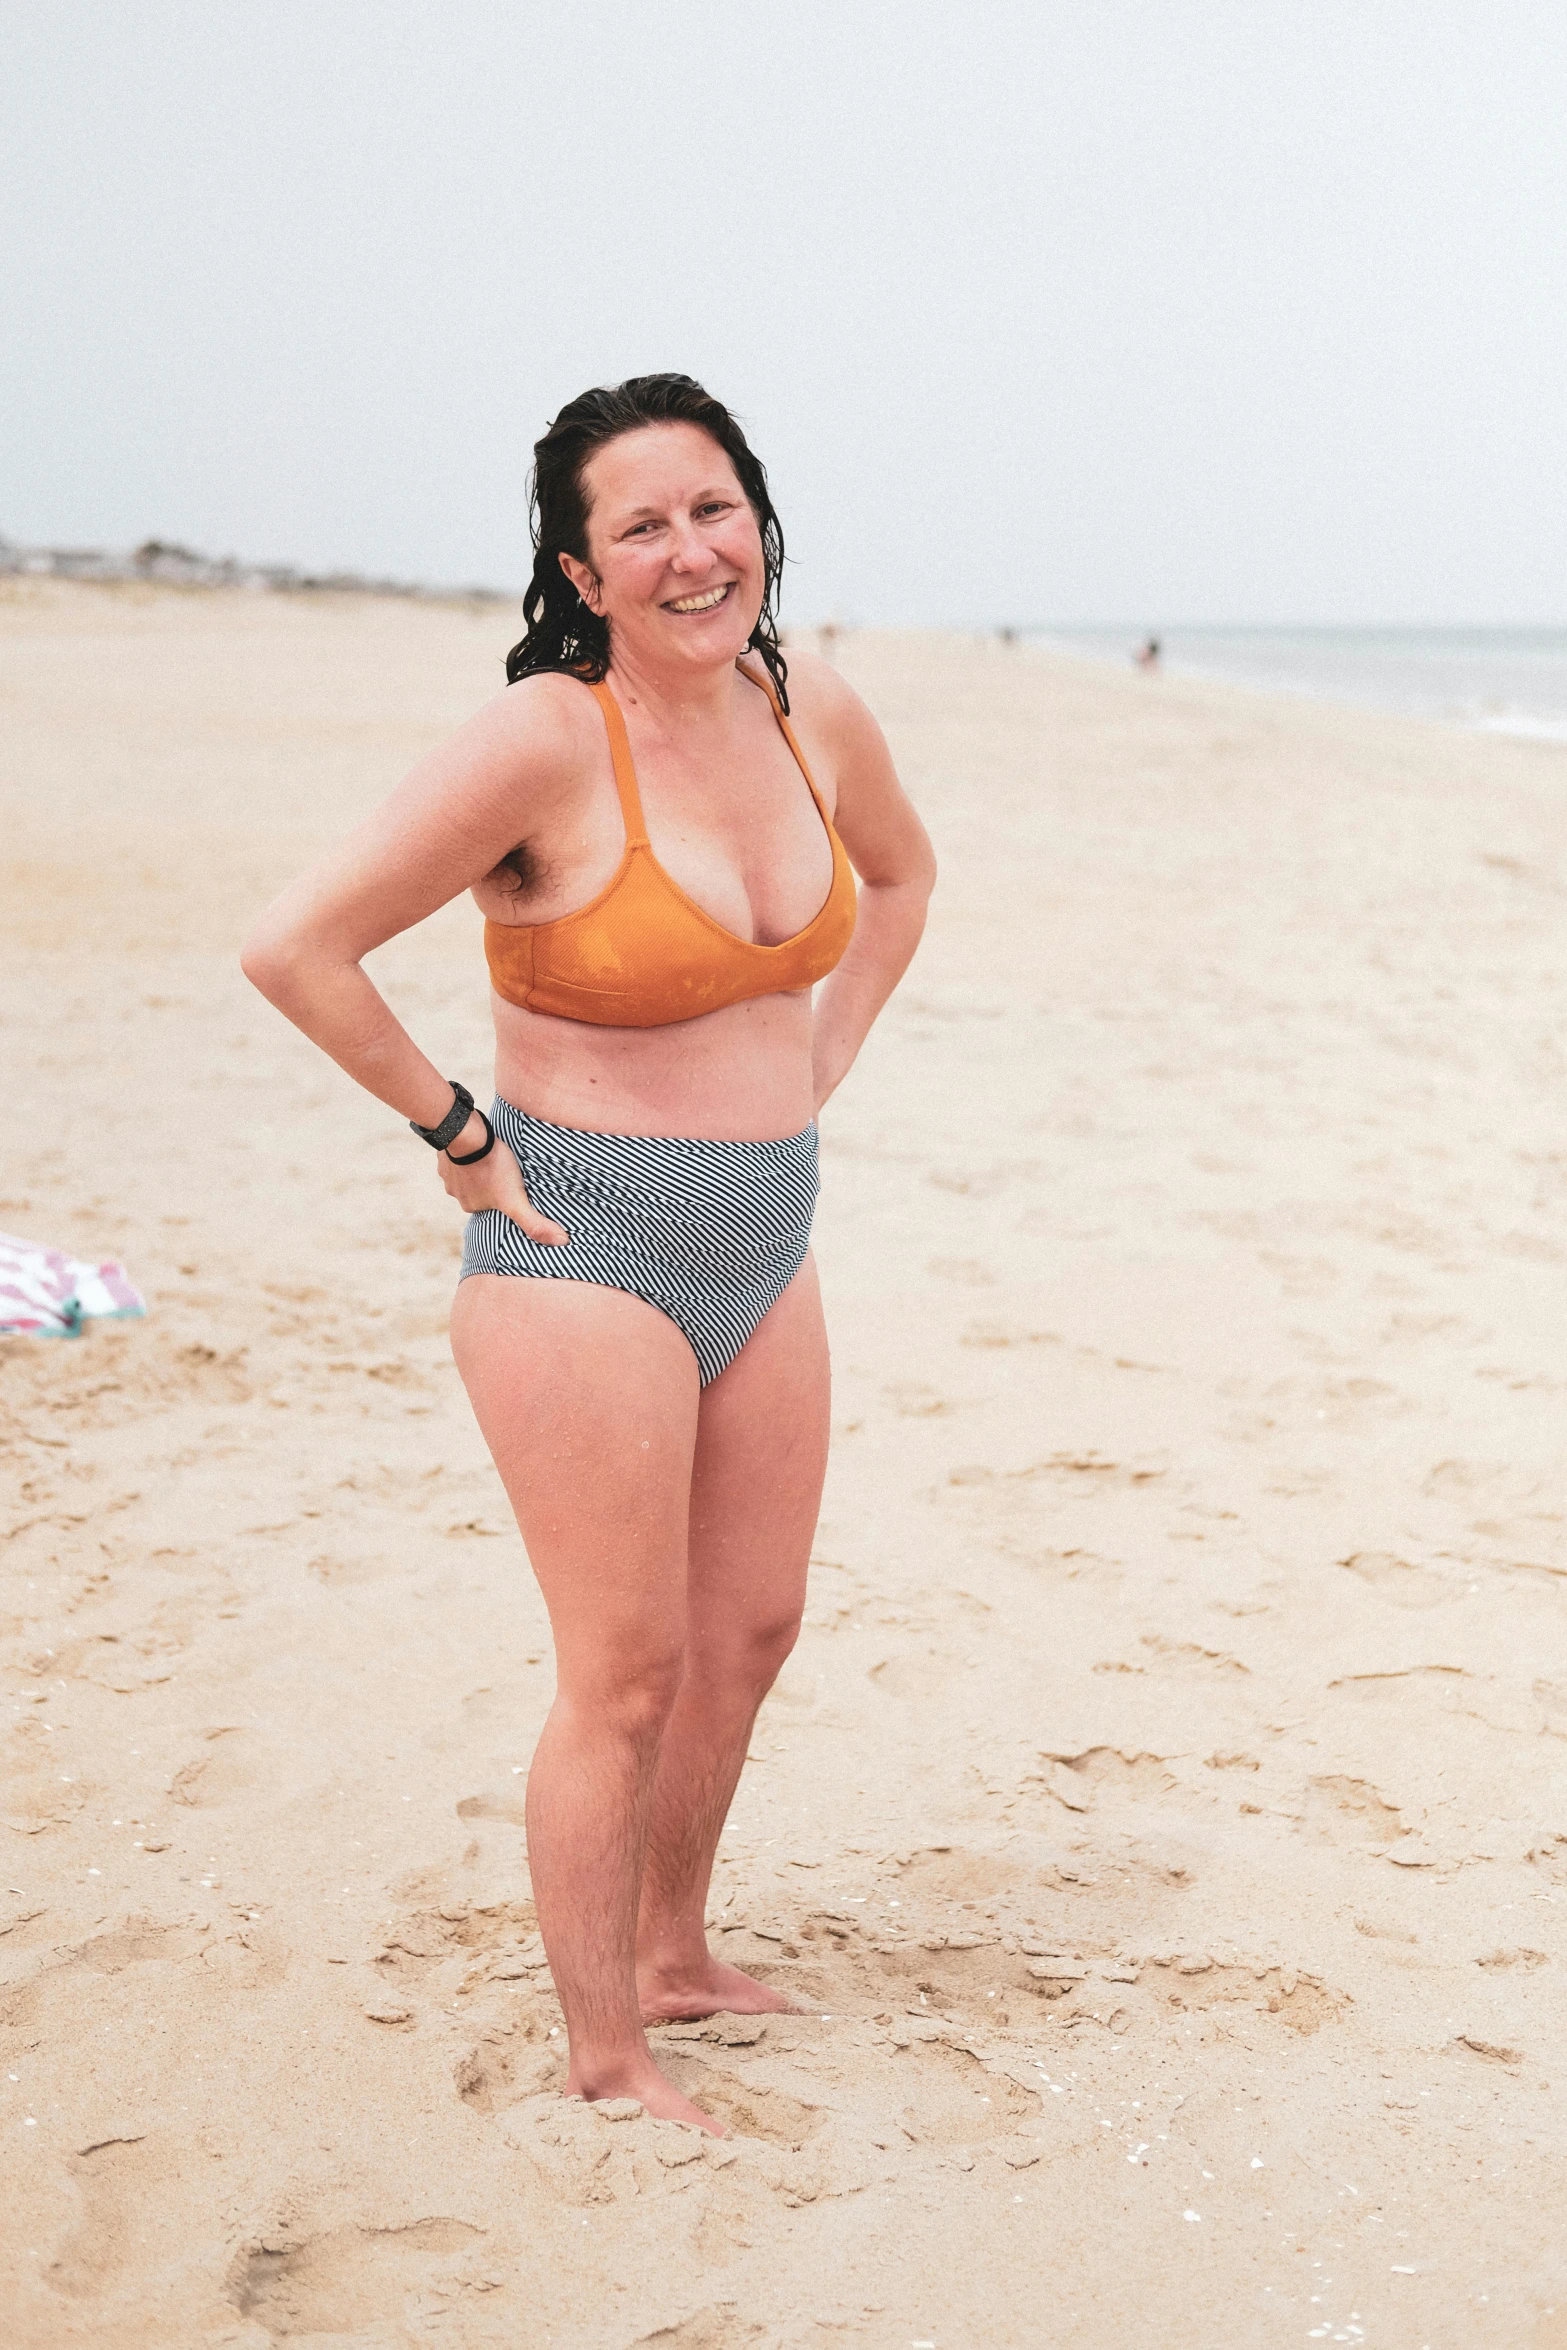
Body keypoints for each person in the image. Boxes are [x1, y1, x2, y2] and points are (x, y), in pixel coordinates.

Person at [240, 374, 936, 2131]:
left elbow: (905, 881)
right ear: (585, 564)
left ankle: (674, 1950)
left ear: (758, 519)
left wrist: (826, 1051)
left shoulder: (812, 709)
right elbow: (298, 945)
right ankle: (608, 2057)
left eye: (714, 509)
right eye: (642, 526)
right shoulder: (549, 737)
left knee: (751, 1629)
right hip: (583, 1248)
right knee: (622, 1672)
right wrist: (458, 1137)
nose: (691, 552)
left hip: (768, 1232)